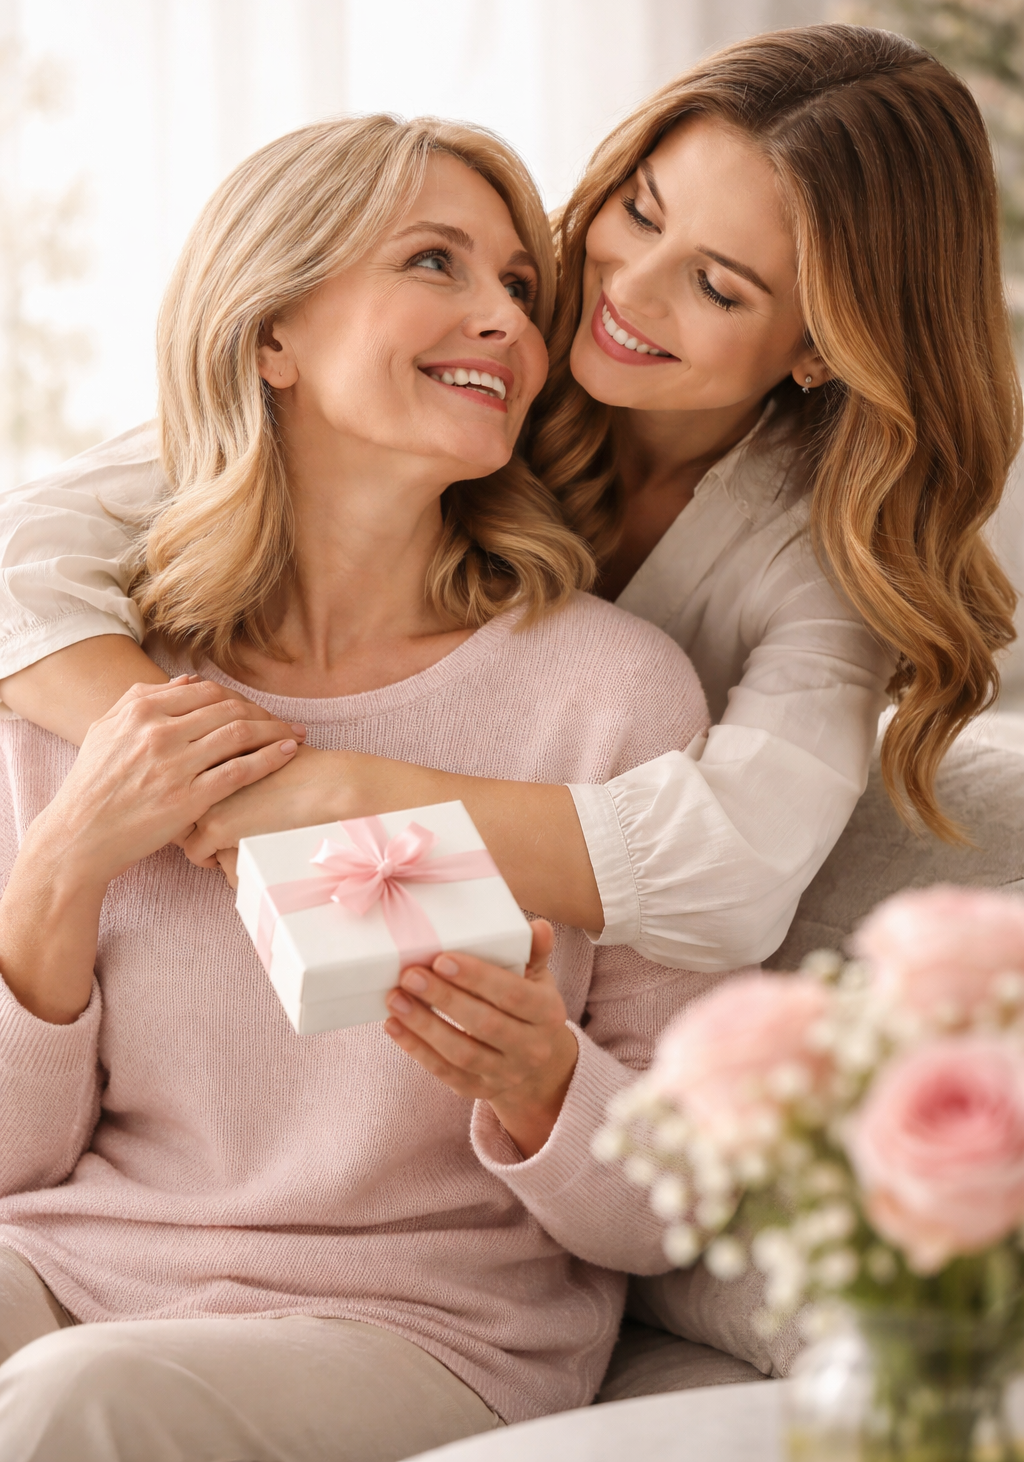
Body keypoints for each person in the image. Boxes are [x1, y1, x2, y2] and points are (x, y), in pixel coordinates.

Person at [0, 24, 1017, 970]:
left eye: (717, 287)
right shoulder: (469, 368)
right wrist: (187, 774)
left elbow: (734, 874)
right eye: (638, 212)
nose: (627, 288)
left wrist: (342, 794)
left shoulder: (814, 556)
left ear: (821, 349)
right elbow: (34, 553)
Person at [0, 116, 712, 1462]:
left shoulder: (609, 696)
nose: (502, 318)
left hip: (419, 1325)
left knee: (67, 1405)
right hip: (74, 1268)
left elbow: (679, 1202)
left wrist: (545, 1083)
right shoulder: (93, 682)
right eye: (436, 262)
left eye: (518, 285)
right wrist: (60, 871)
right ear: (271, 333)